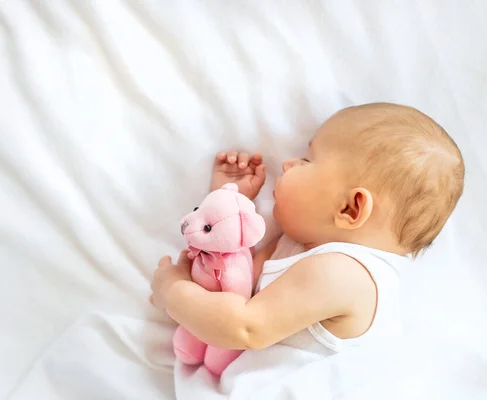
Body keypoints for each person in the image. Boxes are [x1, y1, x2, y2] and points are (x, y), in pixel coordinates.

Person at [150, 103, 465, 371]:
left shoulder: (345, 274)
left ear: (350, 208)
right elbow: (235, 283)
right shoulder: (298, 246)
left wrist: (172, 291)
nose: (287, 163)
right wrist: (228, 206)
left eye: (307, 160)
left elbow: (245, 326)